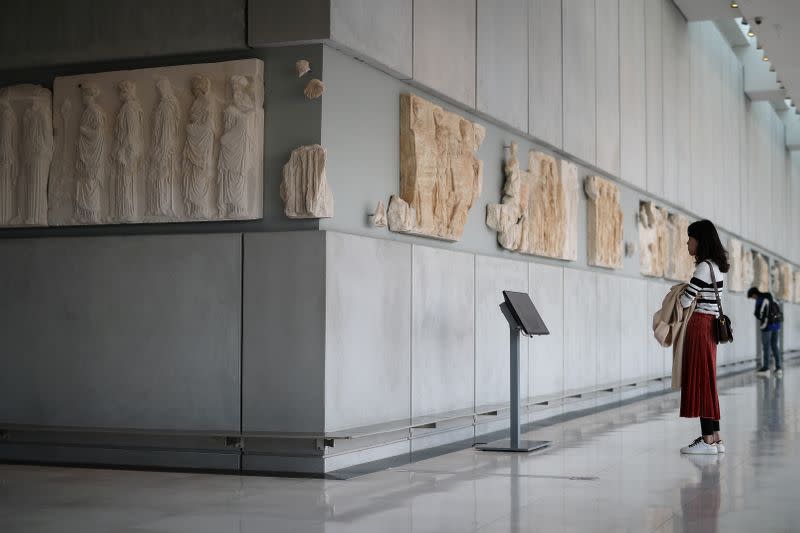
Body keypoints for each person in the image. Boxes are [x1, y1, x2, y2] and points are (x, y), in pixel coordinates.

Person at [677, 220, 729, 455]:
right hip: (711, 328)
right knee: (708, 381)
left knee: (700, 381)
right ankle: (715, 437)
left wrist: (681, 295)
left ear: (700, 240)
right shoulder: (717, 268)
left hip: (699, 326)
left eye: (690, 238)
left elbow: (685, 301)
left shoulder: (702, 269)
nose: (688, 242)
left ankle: (707, 440)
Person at [746, 286, 782, 376]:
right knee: (775, 346)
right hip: (776, 324)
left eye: (752, 297)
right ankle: (778, 368)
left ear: (754, 294)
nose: (753, 299)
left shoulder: (760, 299)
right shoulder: (770, 296)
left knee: (766, 347)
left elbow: (758, 314)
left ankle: (766, 368)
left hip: (767, 326)